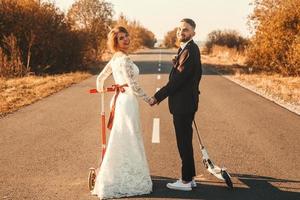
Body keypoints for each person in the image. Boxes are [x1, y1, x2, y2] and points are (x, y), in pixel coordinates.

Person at [91, 26, 155, 199]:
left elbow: (100, 78)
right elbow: (133, 85)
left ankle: (116, 171)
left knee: (121, 136)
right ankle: (127, 175)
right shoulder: (124, 59)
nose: (126, 39)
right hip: (127, 101)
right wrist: (148, 99)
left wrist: (101, 89)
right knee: (129, 136)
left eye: (126, 36)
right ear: (115, 42)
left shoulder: (115, 58)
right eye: (121, 38)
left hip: (119, 99)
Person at [151, 18, 202, 191]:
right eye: (180, 29)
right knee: (185, 140)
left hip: (184, 104)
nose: (181, 32)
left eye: (186, 30)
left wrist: (158, 96)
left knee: (183, 142)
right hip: (187, 102)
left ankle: (186, 181)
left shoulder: (189, 51)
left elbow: (177, 81)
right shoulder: (188, 49)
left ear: (193, 33)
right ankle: (190, 178)